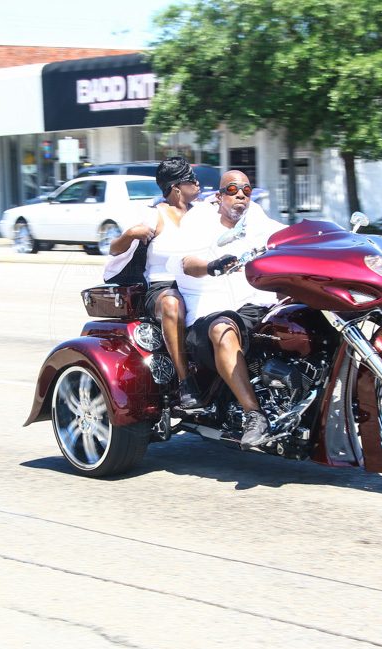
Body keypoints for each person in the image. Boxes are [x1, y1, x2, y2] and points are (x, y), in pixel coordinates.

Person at [171, 170, 286, 447]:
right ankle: (254, 414)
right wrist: (211, 266)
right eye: (233, 190)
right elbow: (186, 263)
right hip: (209, 311)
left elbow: (287, 235)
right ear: (219, 196)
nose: (240, 196)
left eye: (247, 190)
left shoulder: (255, 219)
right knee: (223, 328)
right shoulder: (199, 221)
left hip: (253, 305)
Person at [106, 157, 202, 408]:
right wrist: (129, 234)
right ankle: (185, 381)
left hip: (200, 283)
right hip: (162, 288)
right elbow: (114, 250)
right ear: (176, 187)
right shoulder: (154, 215)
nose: (198, 182)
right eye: (191, 178)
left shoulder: (205, 213)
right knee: (172, 304)